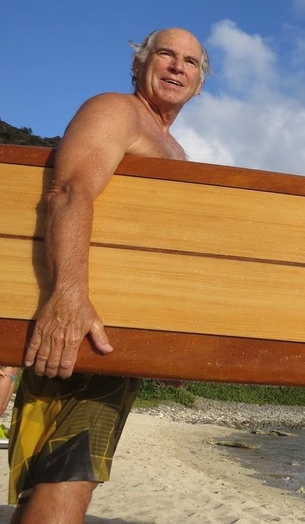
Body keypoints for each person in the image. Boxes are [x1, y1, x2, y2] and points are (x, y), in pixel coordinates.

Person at [7, 28, 209, 524]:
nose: (177, 66)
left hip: (110, 329)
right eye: (166, 53)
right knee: (69, 475)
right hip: (78, 312)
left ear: (201, 82)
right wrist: (67, 296)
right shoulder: (117, 111)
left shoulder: (177, 150)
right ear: (139, 64)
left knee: (58, 474)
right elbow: (70, 190)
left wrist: (166, 342)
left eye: (191, 61)